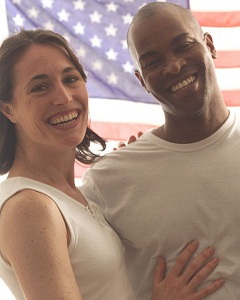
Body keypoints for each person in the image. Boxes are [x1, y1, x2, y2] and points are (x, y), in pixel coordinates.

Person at [0, 29, 223, 300]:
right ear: (7, 108)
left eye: (70, 79)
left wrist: (131, 164)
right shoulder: (30, 207)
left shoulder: (70, 196)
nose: (64, 97)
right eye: (40, 87)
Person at [80, 2, 238, 299]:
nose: (174, 65)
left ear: (209, 45)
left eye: (183, 45)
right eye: (152, 62)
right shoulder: (108, 180)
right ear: (142, 81)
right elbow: (82, 287)